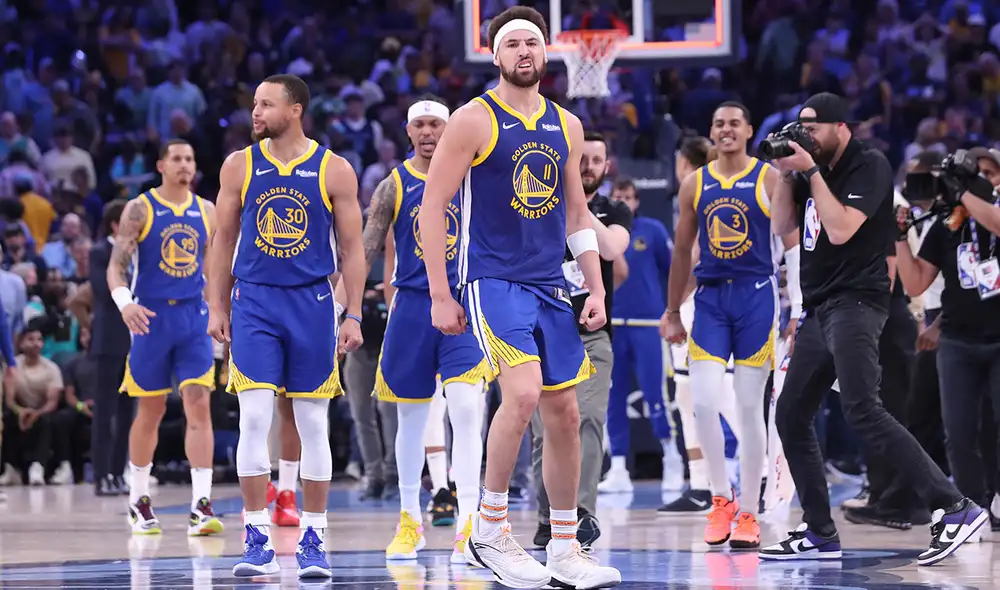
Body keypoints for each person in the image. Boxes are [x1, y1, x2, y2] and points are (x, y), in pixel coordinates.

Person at [418, 6, 620, 588]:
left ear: (547, 52)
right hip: (491, 281)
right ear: (495, 55)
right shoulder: (473, 119)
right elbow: (434, 208)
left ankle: (563, 546)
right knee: (525, 393)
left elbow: (577, 213)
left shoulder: (567, 125)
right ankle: (490, 530)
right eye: (513, 44)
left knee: (565, 411)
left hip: (551, 284)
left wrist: (596, 282)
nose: (524, 51)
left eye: (533, 41)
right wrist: (439, 292)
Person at [760, 92, 986, 565]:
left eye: (813, 126)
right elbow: (782, 226)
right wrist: (785, 172)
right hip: (819, 307)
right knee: (790, 414)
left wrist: (813, 173)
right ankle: (820, 532)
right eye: (799, 126)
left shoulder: (870, 165)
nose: (805, 135)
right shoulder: (804, 170)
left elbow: (840, 228)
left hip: (858, 304)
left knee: (863, 409)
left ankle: (955, 507)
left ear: (841, 128)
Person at [207, 73, 365, 579]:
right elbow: (221, 240)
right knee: (254, 419)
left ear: (294, 110)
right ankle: (256, 537)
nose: (255, 113)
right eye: (254, 103)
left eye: (266, 104)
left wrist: (354, 311)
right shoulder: (239, 165)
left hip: (313, 304)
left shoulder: (334, 169)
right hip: (253, 301)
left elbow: (354, 250)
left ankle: (314, 538)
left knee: (313, 422)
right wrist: (216, 306)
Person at [344, 95, 489, 563]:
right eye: (421, 125)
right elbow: (365, 247)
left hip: (464, 300)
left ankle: (470, 522)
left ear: (450, 129)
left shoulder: (472, 176)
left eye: (436, 125)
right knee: (411, 417)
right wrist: (344, 305)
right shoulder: (393, 184)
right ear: (408, 132)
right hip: (409, 305)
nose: (428, 133)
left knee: (467, 406)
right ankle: (410, 520)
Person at [663, 102, 798, 550]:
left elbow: (792, 243)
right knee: (701, 403)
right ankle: (721, 499)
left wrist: (797, 306)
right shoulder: (694, 184)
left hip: (756, 298)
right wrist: (670, 311)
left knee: (746, 407)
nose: (725, 130)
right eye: (718, 123)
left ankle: (750, 512)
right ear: (712, 131)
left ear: (748, 131)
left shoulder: (769, 178)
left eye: (733, 123)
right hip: (710, 300)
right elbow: (682, 251)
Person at [108, 140, 222, 536]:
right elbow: (116, 269)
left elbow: (211, 271)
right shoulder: (140, 208)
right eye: (177, 159)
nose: (185, 165)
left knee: (199, 405)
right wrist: (125, 304)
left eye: (190, 159)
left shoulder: (207, 210)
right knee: (151, 411)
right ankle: (139, 499)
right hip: (151, 317)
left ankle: (201, 505)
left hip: (192, 318)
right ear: (160, 165)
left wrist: (218, 316)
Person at [532, 130, 632, 548]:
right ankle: (546, 518)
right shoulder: (537, 204)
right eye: (582, 159)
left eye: (597, 160)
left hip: (592, 336)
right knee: (543, 431)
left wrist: (575, 206)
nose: (589, 166)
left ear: (606, 166)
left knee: (588, 419)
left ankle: (579, 513)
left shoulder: (615, 210)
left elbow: (611, 252)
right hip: (543, 332)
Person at [893, 148, 1000, 534]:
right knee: (957, 432)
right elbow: (916, 282)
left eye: (989, 172)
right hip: (958, 338)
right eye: (977, 173)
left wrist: (965, 191)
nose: (983, 178)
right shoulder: (946, 222)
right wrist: (900, 238)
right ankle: (971, 511)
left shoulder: (990, 210)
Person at [602, 176, 684, 496]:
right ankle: (618, 467)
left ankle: (673, 458)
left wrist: (671, 309)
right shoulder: (601, 231)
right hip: (612, 325)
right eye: (617, 195)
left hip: (647, 325)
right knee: (613, 398)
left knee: (657, 395)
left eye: (628, 196)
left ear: (637, 201)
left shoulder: (653, 230)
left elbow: (673, 269)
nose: (622, 200)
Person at [88, 200, 135, 496]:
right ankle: (102, 474)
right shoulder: (99, 252)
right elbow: (102, 290)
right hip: (108, 341)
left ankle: (119, 473)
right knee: (104, 413)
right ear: (115, 225)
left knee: (128, 414)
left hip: (134, 341)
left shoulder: (138, 252)